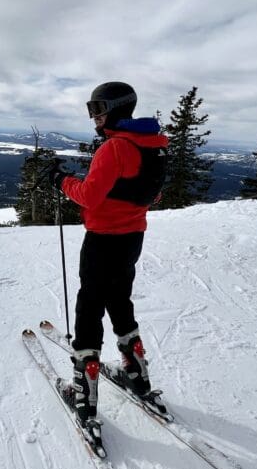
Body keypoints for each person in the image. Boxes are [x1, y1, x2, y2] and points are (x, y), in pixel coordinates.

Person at [42, 81, 169, 427]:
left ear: (116, 108)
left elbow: (89, 196)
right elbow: (150, 196)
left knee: (89, 307)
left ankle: (84, 392)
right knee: (119, 299)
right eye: (91, 109)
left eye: (98, 109)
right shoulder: (154, 146)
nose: (94, 117)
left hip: (102, 240)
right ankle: (136, 372)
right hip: (132, 239)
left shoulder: (115, 148)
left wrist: (60, 181)